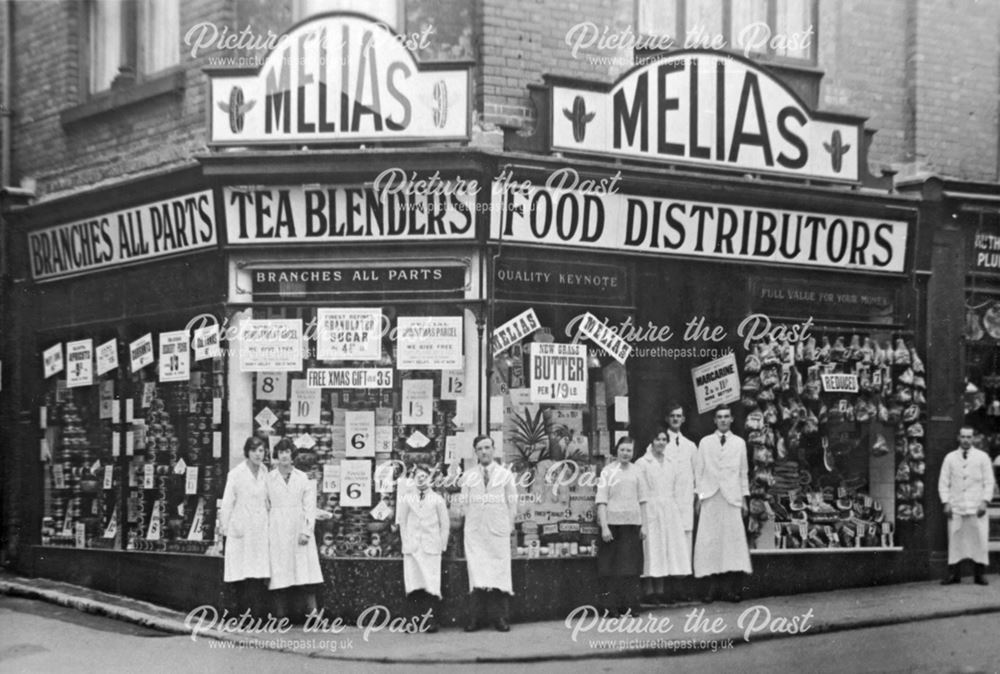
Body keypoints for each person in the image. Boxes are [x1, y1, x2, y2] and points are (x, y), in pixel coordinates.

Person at [693, 405, 752, 603]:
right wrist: (699, 498)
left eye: (727, 417)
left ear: (732, 419)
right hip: (711, 497)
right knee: (710, 544)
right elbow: (699, 473)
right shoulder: (705, 442)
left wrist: (744, 499)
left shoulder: (739, 443)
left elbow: (743, 472)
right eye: (719, 417)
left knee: (731, 545)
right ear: (714, 420)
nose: (723, 420)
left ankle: (729, 590)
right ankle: (710, 590)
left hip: (731, 498)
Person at [461, 435, 517, 632]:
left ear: (494, 450)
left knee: (499, 574)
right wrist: (474, 522)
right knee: (477, 574)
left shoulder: (505, 475)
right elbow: (464, 504)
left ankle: (500, 618)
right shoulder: (468, 476)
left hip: (497, 531)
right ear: (475, 452)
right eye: (480, 448)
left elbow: (513, 503)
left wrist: (507, 526)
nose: (484, 452)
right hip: (476, 532)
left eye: (487, 447)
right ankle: (474, 619)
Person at [266, 438, 327, 621]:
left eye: (287, 452)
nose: (284, 456)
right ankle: (280, 616)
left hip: (298, 526)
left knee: (304, 572)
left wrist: (306, 531)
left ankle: (313, 615)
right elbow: (265, 505)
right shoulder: (269, 478)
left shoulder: (303, 478)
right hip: (276, 527)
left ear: (293, 455)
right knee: (279, 572)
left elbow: (309, 506)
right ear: (276, 455)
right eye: (281, 452)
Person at [637, 425, 693, 605]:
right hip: (650, 508)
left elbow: (677, 487)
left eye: (663, 440)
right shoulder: (643, 463)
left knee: (666, 549)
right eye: (657, 439)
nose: (660, 443)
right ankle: (649, 591)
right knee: (652, 548)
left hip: (669, 509)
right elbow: (640, 490)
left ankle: (661, 591)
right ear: (651, 442)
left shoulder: (671, 463)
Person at [595, 436, 647, 616]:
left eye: (629, 450)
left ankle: (629, 606)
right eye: (623, 449)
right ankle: (611, 608)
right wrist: (604, 527)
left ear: (633, 453)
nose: (625, 453)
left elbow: (643, 501)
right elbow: (601, 501)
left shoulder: (637, 471)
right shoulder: (607, 472)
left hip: (632, 526)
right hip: (613, 527)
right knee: (611, 570)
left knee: (630, 569)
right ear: (617, 450)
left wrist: (644, 525)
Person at [220, 436, 271, 617]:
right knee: (241, 572)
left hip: (260, 528)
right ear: (247, 452)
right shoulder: (236, 474)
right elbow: (227, 503)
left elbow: (268, 500)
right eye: (255, 450)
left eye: (262, 450)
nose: (259, 454)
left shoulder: (265, 472)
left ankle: (256, 615)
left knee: (258, 572)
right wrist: (224, 529)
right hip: (241, 527)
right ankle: (241, 614)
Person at [396, 463, 450, 632]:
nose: (421, 480)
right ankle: (412, 621)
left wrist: (442, 544)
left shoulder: (437, 499)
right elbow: (402, 522)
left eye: (424, 476)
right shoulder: (407, 498)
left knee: (431, 584)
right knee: (413, 584)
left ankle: (430, 621)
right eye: (418, 476)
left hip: (431, 547)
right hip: (412, 548)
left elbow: (445, 524)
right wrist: (406, 542)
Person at [939, 426, 996, 585]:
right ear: (958, 437)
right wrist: (946, 502)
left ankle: (979, 574)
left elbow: (989, 482)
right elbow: (943, 482)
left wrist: (985, 501)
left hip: (977, 506)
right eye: (963, 437)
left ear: (974, 439)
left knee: (979, 539)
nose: (965, 440)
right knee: (955, 539)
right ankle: (954, 575)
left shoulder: (982, 457)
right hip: (956, 506)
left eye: (969, 437)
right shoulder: (950, 458)